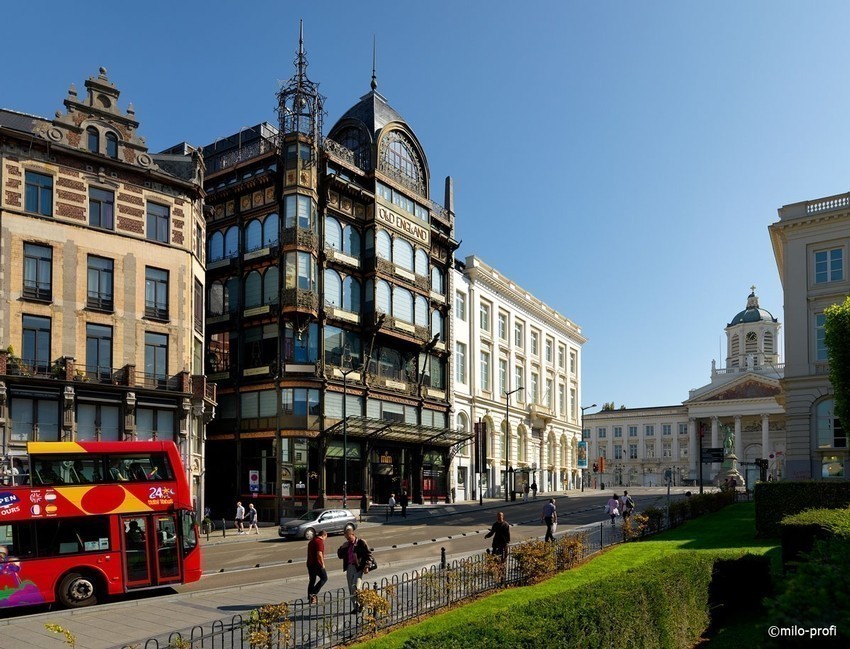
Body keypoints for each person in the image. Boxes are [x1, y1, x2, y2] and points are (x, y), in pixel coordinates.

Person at [336, 528, 373, 614]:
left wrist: (367, 566)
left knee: (355, 587)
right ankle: (356, 607)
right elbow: (340, 556)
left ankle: (362, 603)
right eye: (346, 538)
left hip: (358, 568)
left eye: (349, 538)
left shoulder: (361, 542)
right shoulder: (347, 545)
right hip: (349, 567)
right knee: (350, 588)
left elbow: (369, 554)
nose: (348, 540)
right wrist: (342, 548)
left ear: (353, 535)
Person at [306, 529, 328, 604]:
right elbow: (319, 554)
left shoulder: (312, 541)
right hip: (317, 564)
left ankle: (310, 597)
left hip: (310, 563)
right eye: (325, 537)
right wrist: (322, 564)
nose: (325, 540)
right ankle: (313, 593)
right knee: (324, 578)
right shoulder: (319, 542)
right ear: (323, 535)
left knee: (312, 580)